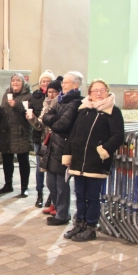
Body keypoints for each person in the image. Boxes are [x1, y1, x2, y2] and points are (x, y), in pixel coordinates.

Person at [62, 79, 124, 241]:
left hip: (96, 162)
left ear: (107, 91)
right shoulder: (84, 110)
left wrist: (103, 150)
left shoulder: (113, 112)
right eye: (95, 90)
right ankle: (79, 223)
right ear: (89, 93)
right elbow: (73, 134)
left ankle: (90, 226)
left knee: (92, 196)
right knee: (80, 194)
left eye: (101, 90)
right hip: (78, 161)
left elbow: (118, 135)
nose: (98, 93)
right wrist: (68, 154)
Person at [42, 71, 84, 226]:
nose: (62, 85)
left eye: (65, 83)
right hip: (54, 145)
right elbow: (46, 116)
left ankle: (63, 214)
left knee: (61, 184)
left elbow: (63, 124)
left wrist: (52, 121)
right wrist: (53, 120)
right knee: (50, 181)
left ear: (75, 85)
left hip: (64, 146)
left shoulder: (75, 102)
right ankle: (59, 210)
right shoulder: (60, 100)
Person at [27, 77, 62, 214]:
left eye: (54, 91)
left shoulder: (60, 105)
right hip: (45, 142)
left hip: (58, 143)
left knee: (56, 175)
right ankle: (45, 197)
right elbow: (40, 126)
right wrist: (31, 119)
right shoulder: (46, 105)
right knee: (44, 172)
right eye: (49, 92)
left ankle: (56, 203)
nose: (51, 94)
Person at [0, 73, 33, 197]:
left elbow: (29, 113)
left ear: (23, 82)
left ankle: (24, 187)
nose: (15, 83)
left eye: (18, 80)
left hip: (21, 133)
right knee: (7, 161)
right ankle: (8, 185)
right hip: (7, 133)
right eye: (13, 81)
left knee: (23, 161)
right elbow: (2, 110)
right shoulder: (7, 94)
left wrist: (16, 105)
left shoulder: (28, 95)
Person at [28, 70, 55, 207]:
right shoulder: (35, 96)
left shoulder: (55, 100)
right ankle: (39, 194)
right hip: (39, 137)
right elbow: (36, 121)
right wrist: (30, 117)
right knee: (40, 167)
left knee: (51, 169)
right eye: (43, 81)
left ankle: (51, 196)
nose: (45, 83)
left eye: (48, 81)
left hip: (52, 138)